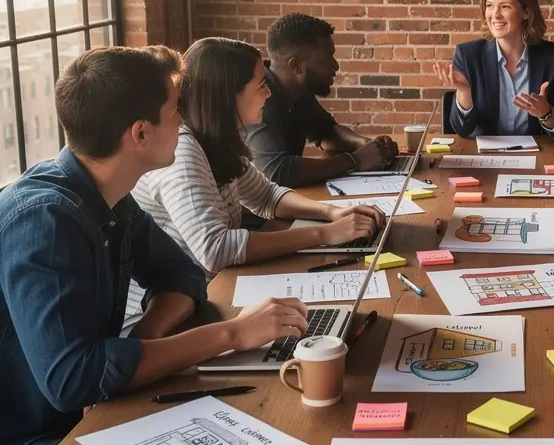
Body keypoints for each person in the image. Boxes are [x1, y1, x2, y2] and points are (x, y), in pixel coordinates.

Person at [0, 46, 311, 445]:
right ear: (139, 133)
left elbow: (184, 277)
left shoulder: (111, 198)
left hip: (80, 407)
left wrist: (132, 349)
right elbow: (70, 379)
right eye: (176, 110)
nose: (185, 119)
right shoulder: (43, 218)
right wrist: (231, 334)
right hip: (20, 436)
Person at [134, 37, 384, 279]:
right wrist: (325, 234)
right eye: (261, 85)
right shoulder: (183, 151)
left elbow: (267, 196)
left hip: (213, 286)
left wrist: (333, 212)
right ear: (227, 96)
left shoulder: (217, 139)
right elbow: (215, 249)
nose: (269, 94)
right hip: (178, 308)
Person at [247, 12, 399, 187]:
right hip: (260, 213)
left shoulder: (299, 90)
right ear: (295, 66)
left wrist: (367, 146)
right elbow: (278, 172)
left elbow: (326, 132)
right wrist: (355, 159)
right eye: (327, 57)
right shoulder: (259, 99)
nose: (336, 66)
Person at [432, 0, 554, 140]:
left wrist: (546, 113)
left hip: (538, 157)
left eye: (505, 6)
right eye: (489, 6)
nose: (495, 15)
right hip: (485, 158)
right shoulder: (468, 55)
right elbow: (462, 130)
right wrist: (464, 91)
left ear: (526, 12)